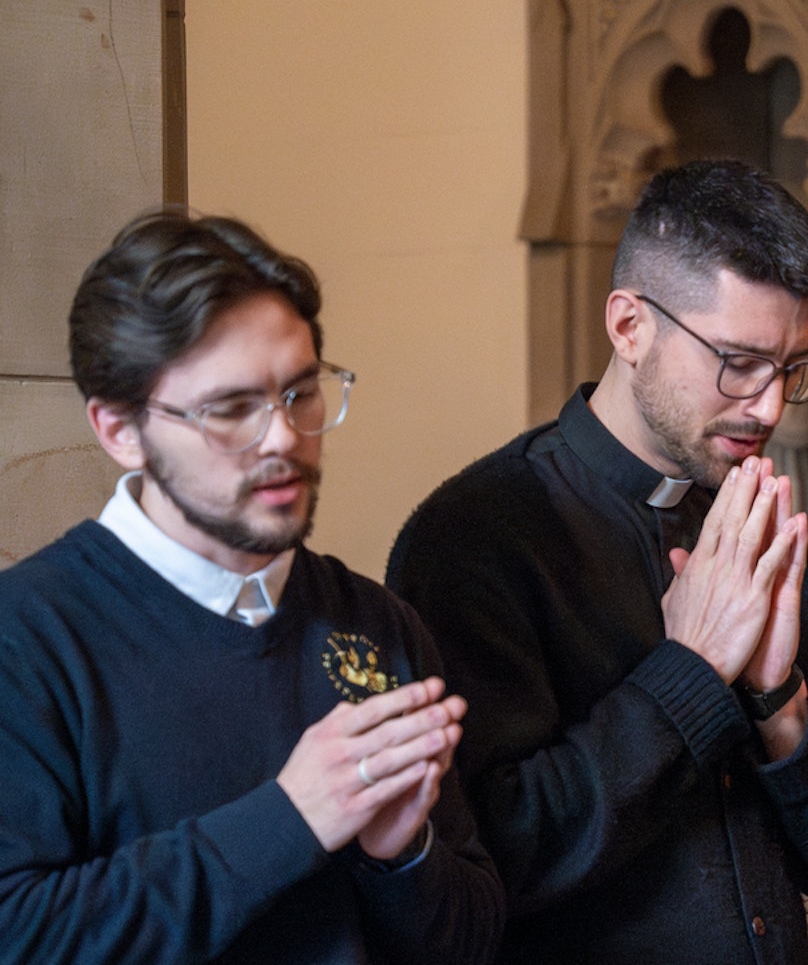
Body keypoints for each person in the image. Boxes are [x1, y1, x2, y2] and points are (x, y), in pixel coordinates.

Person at [386, 159, 808, 963]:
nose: (769, 406)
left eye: (794, 370)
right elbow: (487, 865)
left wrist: (778, 701)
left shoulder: (756, 523)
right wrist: (691, 670)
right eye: (739, 361)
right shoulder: (473, 538)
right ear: (629, 326)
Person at [0, 210, 504, 963]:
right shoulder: (28, 637)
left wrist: (399, 856)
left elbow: (468, 942)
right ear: (119, 430)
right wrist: (291, 818)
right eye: (231, 409)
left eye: (301, 394)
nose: (282, 437)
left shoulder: (377, 623)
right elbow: (22, 933)